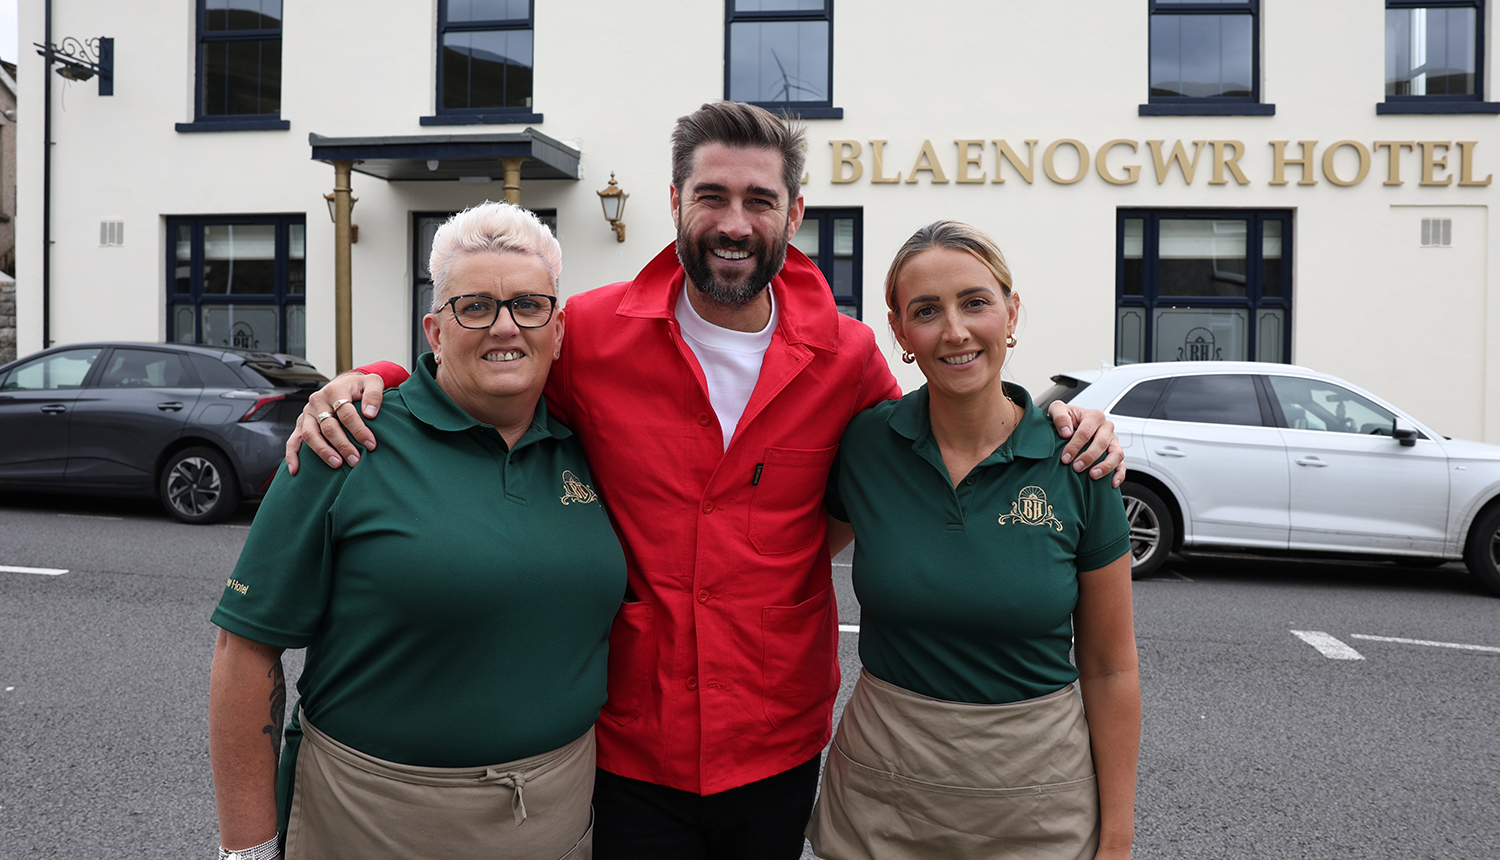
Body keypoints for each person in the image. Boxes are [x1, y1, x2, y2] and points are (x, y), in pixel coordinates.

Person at [286, 102, 1126, 860]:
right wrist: (377, 376)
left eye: (760, 201)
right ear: (678, 203)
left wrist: (1066, 419)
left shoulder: (848, 358)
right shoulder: (593, 334)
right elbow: (490, 361)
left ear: (794, 214)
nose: (735, 222)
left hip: (774, 741)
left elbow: (905, 457)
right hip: (627, 742)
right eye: (712, 197)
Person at [209, 203, 624, 860]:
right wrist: (249, 850)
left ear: (559, 327)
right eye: (475, 307)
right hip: (371, 819)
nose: (505, 326)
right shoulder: (347, 441)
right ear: (435, 329)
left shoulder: (590, 444)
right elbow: (245, 652)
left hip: (554, 817)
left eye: (527, 305)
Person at [805, 221, 1139, 860]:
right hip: (882, 793)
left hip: (1038, 801)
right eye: (926, 311)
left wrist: (1117, 840)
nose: (955, 331)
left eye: (975, 302)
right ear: (900, 332)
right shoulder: (866, 446)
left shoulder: (1077, 462)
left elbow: (1111, 664)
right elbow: (790, 555)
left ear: (1011, 313)